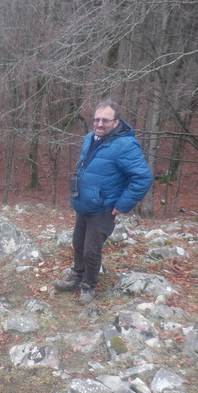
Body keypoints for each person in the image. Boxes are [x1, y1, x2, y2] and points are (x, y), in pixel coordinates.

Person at [54, 100, 153, 304]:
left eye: (105, 120)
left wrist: (122, 205)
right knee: (78, 244)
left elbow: (143, 178)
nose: (99, 124)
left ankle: (88, 285)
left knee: (91, 250)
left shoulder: (126, 145)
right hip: (84, 204)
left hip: (103, 209)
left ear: (116, 122)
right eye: (96, 119)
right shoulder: (90, 138)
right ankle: (76, 277)